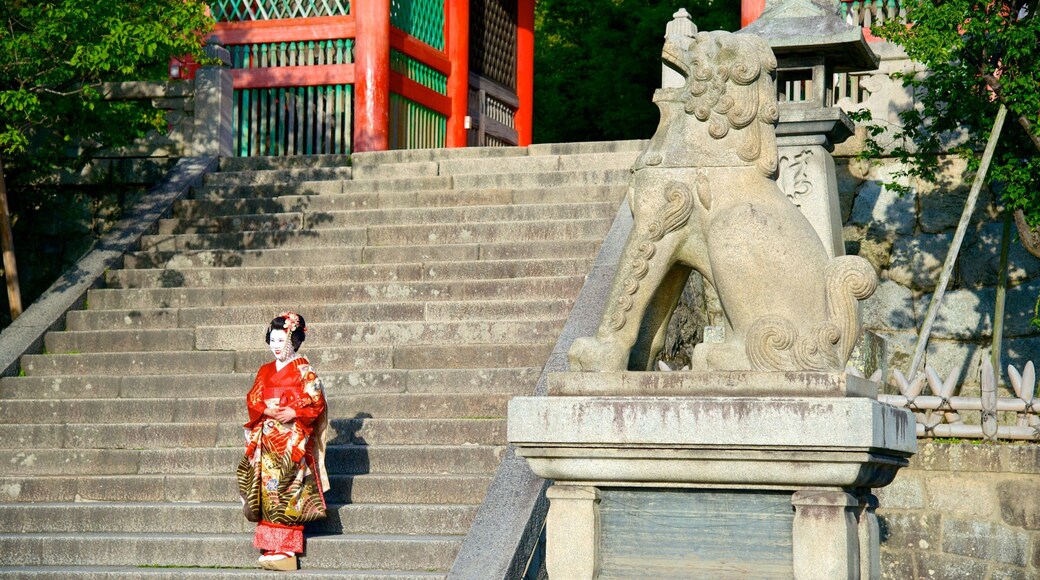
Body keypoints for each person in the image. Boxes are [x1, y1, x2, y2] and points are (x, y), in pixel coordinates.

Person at [237, 311, 330, 571]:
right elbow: (253, 398)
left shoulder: (305, 370)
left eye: (281, 341)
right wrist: (266, 410)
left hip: (291, 440)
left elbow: (316, 402)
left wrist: (294, 412)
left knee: (287, 489)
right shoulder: (265, 370)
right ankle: (271, 545)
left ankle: (287, 547)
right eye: (273, 340)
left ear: (294, 341)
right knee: (267, 490)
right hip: (267, 438)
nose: (276, 346)